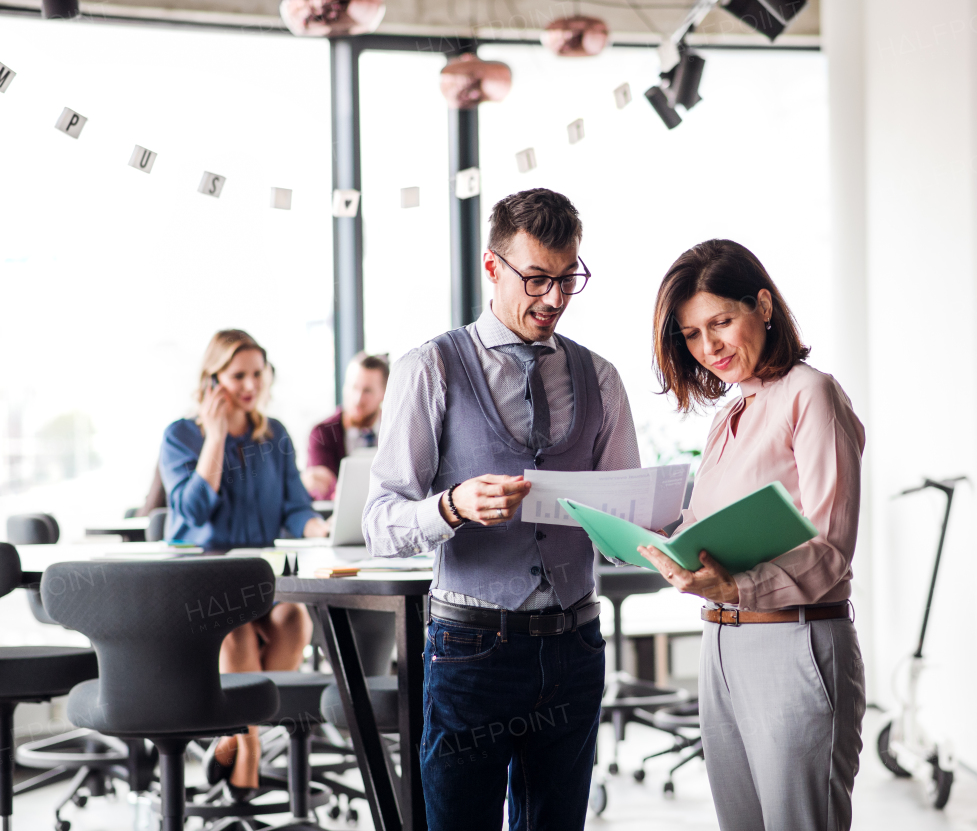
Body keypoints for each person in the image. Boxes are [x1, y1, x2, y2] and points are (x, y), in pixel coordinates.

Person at [363, 188, 640, 830]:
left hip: (573, 645)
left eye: (568, 279)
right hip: (471, 647)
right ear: (493, 267)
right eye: (537, 279)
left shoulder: (602, 379)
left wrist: (646, 531)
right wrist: (452, 506)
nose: (554, 299)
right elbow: (380, 521)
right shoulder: (430, 367)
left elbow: (626, 522)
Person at [641, 239, 867, 831]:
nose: (708, 346)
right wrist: (658, 541)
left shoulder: (810, 394)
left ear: (762, 305)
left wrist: (738, 587)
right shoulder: (727, 416)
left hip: (794, 641)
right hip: (720, 645)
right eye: (692, 334)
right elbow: (707, 533)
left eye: (721, 322)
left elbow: (831, 552)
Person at [159, 329, 329, 794]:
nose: (251, 384)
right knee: (233, 628)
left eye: (258, 373)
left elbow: (295, 506)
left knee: (295, 618)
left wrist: (317, 527)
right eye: (238, 375)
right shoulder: (181, 436)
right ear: (212, 379)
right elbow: (190, 511)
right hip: (201, 589)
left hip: (262, 582)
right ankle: (249, 754)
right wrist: (214, 440)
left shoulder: (273, 435)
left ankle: (235, 738)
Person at [302, 351, 390, 500]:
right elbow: (324, 492)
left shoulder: (394, 430)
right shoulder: (322, 434)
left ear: (385, 393)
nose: (357, 399)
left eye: (367, 391)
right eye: (353, 387)